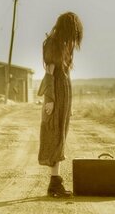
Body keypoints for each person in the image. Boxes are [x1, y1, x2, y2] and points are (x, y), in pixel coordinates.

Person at [37, 12, 83, 198]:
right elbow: (49, 73)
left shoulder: (62, 44)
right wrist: (50, 100)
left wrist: (68, 105)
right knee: (54, 135)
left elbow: (61, 73)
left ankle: (55, 183)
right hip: (56, 93)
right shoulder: (53, 43)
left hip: (64, 92)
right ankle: (54, 184)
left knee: (60, 136)